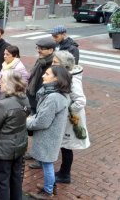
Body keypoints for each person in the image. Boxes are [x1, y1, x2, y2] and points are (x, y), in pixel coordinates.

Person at [27, 66, 71, 199]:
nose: (43, 76)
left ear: (56, 78)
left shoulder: (53, 97)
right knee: (47, 163)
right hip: (52, 135)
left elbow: (42, 121)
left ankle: (48, 191)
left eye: (47, 74)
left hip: (48, 136)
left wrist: (27, 121)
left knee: (47, 164)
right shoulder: (60, 93)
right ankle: (50, 185)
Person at [0, 70, 31, 200]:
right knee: (16, 179)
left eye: (3, 80)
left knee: (2, 182)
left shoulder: (2, 105)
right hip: (20, 145)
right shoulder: (24, 98)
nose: (0, 83)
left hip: (3, 149)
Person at [52, 51, 90, 184]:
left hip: (72, 119)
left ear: (64, 65)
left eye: (55, 62)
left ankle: (65, 174)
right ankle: (63, 172)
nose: (52, 64)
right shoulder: (66, 76)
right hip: (68, 117)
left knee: (67, 146)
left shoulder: (73, 80)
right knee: (64, 145)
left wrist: (68, 111)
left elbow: (80, 100)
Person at [25, 38, 56, 168]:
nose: (39, 51)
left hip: (42, 100)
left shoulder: (52, 64)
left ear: (51, 50)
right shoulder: (41, 61)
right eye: (38, 48)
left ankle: (41, 158)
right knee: (34, 129)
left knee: (41, 130)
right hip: (34, 99)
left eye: (42, 49)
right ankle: (34, 152)